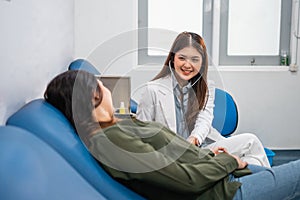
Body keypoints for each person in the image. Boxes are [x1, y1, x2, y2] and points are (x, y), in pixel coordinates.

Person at [44, 70, 300, 200]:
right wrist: (230, 161)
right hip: (223, 191)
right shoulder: (110, 141)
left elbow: (174, 155)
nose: (108, 89)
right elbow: (188, 181)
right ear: (93, 97)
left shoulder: (115, 126)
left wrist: (210, 154)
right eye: (102, 86)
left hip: (218, 172)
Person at [137, 31, 270, 167]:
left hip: (200, 149)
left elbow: (204, 121)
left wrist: (193, 142)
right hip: (172, 157)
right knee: (240, 161)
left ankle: (256, 183)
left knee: (251, 142)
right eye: (182, 58)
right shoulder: (152, 89)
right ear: (172, 58)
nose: (187, 65)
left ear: (202, 63)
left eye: (194, 59)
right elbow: (143, 133)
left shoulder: (206, 88)